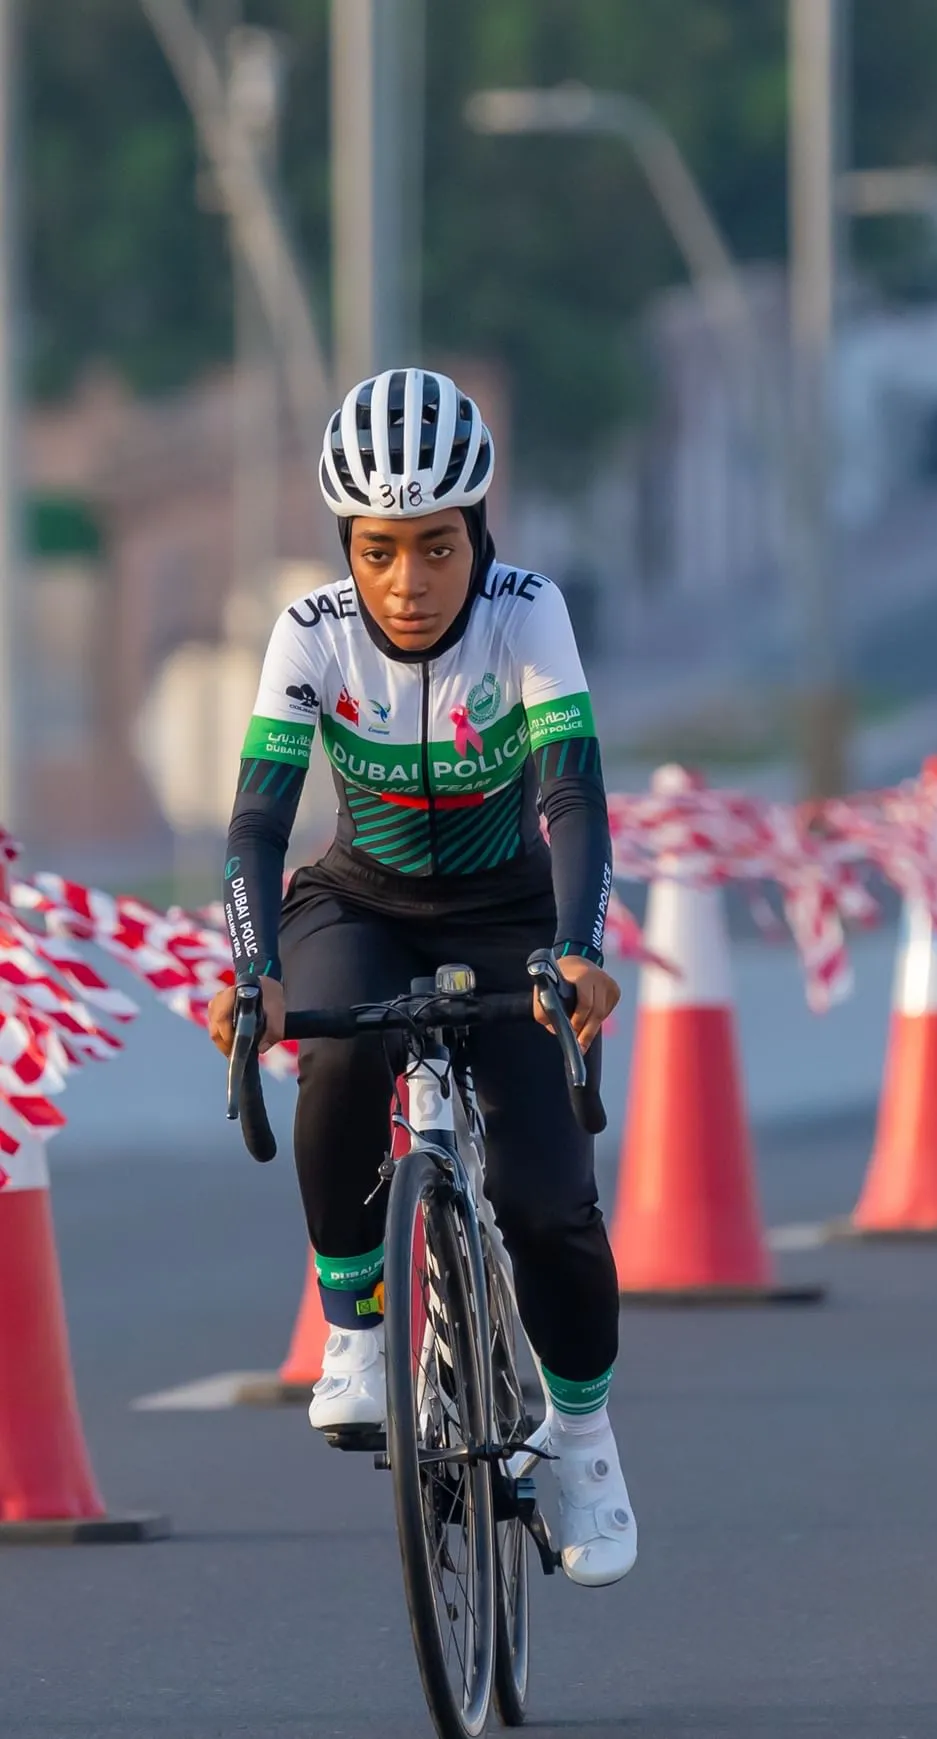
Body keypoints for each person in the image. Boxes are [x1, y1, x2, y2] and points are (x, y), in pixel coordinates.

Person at [205, 368, 635, 1587]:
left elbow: (572, 796)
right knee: (337, 1051)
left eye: (436, 547)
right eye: (379, 552)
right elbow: (256, 824)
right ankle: (353, 1324)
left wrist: (577, 948)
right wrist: (256, 970)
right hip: (361, 901)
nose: (408, 581)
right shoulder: (311, 632)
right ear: (348, 547)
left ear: (477, 533)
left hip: (512, 912)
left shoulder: (527, 612)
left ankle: (583, 1440)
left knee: (550, 1203)